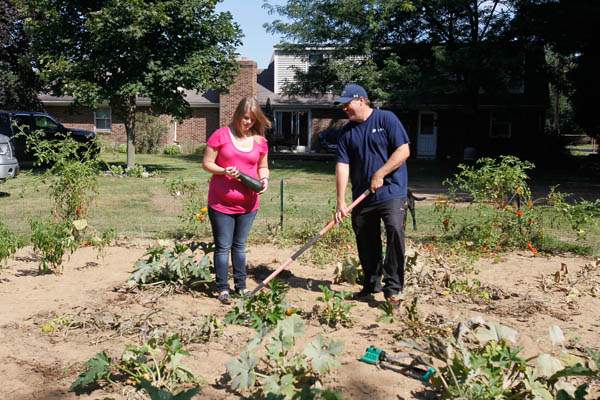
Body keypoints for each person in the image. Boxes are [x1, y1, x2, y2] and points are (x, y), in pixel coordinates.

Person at [334, 83, 410, 305]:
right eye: (343, 106)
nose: (345, 109)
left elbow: (403, 150)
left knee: (395, 230)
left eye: (347, 104)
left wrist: (381, 173)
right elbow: (342, 166)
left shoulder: (386, 119)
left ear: (361, 100)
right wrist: (340, 201)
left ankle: (393, 288)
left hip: (391, 190)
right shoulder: (346, 132)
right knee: (366, 239)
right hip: (363, 195)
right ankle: (371, 283)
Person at [202, 96, 271, 304]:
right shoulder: (220, 135)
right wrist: (224, 171)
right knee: (223, 247)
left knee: (239, 246)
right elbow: (206, 163)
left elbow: (262, 166)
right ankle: (223, 288)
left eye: (252, 119)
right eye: (245, 117)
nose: (248, 122)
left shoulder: (259, 141)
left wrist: (265, 178)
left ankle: (241, 287)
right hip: (221, 204)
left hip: (248, 205)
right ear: (237, 114)